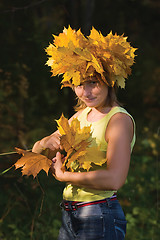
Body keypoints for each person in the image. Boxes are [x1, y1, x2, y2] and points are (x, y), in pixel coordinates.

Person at [32, 26, 136, 240]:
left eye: (92, 83)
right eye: (78, 84)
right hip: (70, 214)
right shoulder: (78, 117)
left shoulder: (118, 120)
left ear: (109, 80)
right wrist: (45, 141)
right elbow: (37, 154)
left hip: (100, 215)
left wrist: (65, 176)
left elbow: (115, 179)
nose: (85, 92)